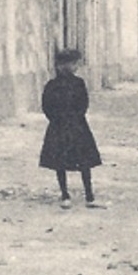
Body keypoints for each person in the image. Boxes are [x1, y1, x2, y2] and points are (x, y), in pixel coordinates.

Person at [39, 49, 103, 209]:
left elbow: (84, 103)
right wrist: (58, 119)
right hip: (66, 126)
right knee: (61, 162)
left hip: (73, 126)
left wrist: (71, 118)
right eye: (69, 64)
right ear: (60, 66)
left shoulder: (78, 83)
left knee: (84, 162)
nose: (72, 67)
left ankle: (88, 194)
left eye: (74, 64)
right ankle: (65, 194)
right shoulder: (52, 85)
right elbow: (46, 106)